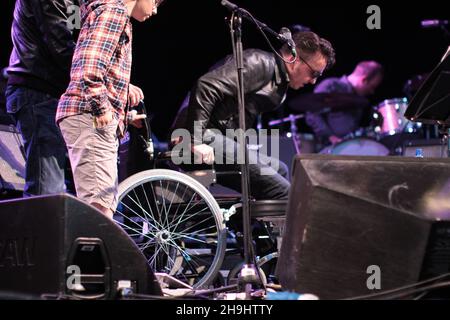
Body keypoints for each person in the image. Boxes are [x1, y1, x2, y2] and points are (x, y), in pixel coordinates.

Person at [171, 31, 335, 200]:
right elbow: (206, 86)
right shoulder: (259, 63)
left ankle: (260, 226)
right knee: (285, 192)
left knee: (280, 169)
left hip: (216, 137)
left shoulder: (279, 82)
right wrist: (194, 139)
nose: (313, 81)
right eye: (314, 73)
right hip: (195, 137)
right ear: (296, 59)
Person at [56, 0, 163, 219]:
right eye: (155, 1)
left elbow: (98, 69)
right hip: (88, 116)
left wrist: (122, 113)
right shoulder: (114, 11)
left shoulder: (111, 13)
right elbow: (88, 69)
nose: (154, 10)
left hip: (87, 116)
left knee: (101, 207)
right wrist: (102, 110)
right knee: (99, 211)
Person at [4, 0, 79, 196]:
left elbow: (73, 38)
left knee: (54, 188)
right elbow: (61, 46)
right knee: (47, 190)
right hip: (36, 92)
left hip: (48, 93)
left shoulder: (73, 3)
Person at [305, 60, 384, 147]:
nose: (372, 92)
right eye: (372, 87)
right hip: (328, 148)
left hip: (349, 148)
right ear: (364, 80)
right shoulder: (331, 86)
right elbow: (312, 114)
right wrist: (330, 137)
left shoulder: (359, 99)